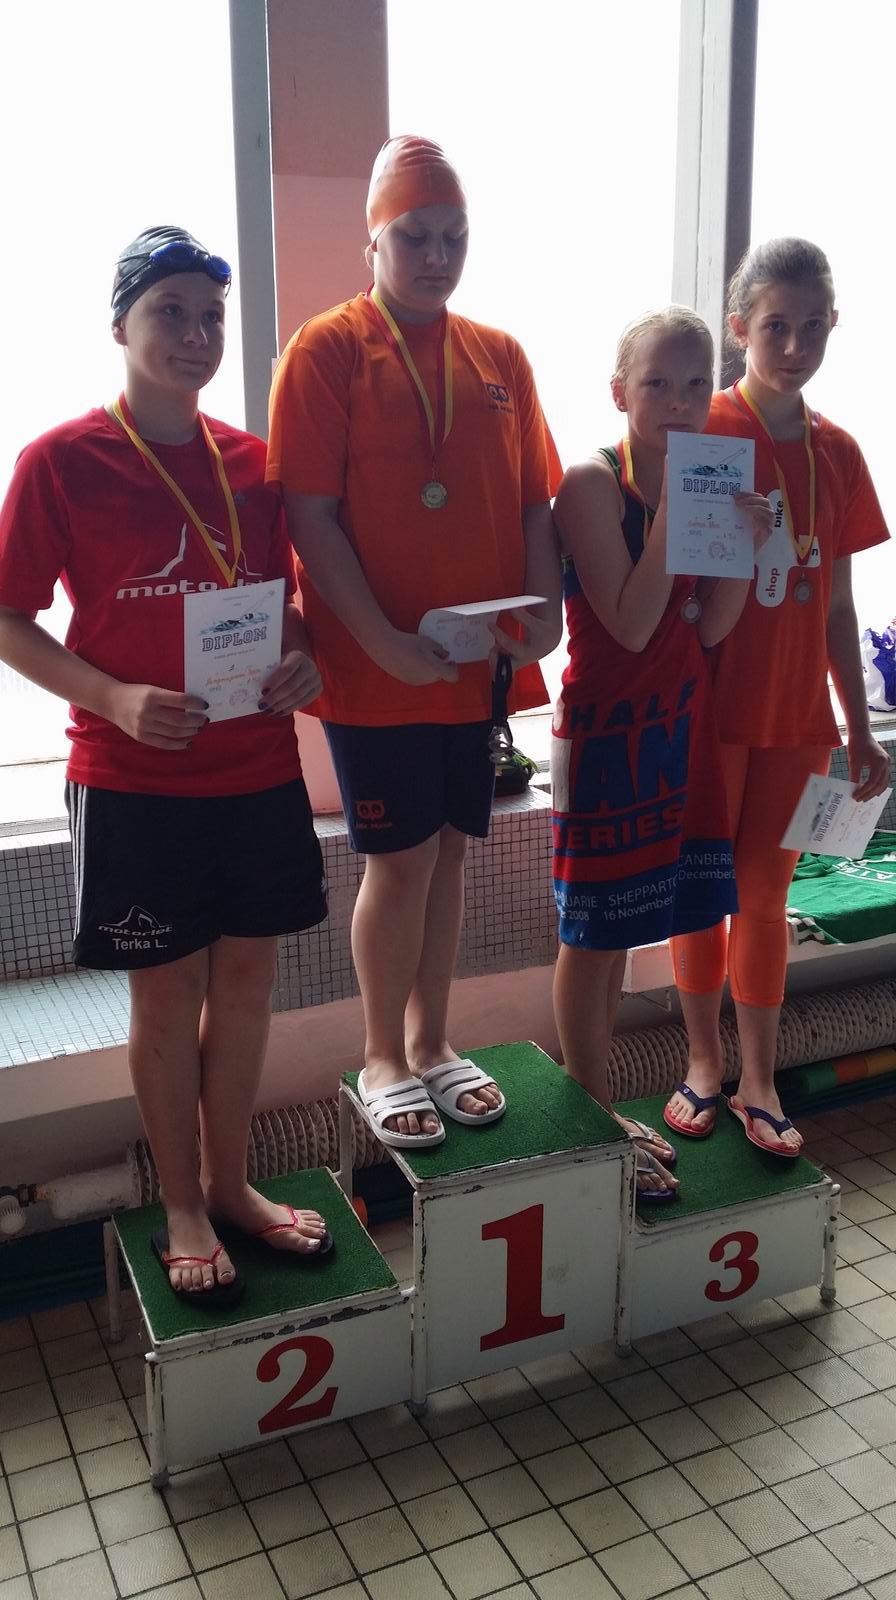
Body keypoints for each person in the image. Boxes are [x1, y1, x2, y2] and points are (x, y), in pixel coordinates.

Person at [0, 227, 331, 1302]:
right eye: (170, 313)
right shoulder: (61, 461)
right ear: (120, 326)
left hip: (256, 771)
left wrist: (301, 658)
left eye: (210, 317)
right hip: (133, 780)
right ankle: (182, 1202)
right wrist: (114, 698)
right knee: (165, 997)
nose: (195, 335)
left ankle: (231, 1185)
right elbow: (8, 618)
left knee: (246, 987)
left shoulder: (254, 466)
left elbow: (286, 608)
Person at [267, 136, 563, 1148]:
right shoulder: (325, 350)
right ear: (373, 242)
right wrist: (382, 642)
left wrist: (545, 616)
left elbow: (533, 501)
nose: (437, 256)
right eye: (414, 237)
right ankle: (381, 1056)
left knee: (448, 855)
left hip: (471, 661)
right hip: (373, 665)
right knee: (395, 862)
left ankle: (433, 1042)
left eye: (454, 237)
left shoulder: (500, 356)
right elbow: (310, 517)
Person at [664, 239, 890, 1155]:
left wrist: (857, 729)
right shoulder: (706, 432)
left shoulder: (840, 451)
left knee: (764, 897)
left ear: (833, 326)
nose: (794, 347)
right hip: (711, 716)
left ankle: (757, 1078)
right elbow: (675, 592)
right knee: (700, 893)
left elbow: (836, 605)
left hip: (798, 723)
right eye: (774, 327)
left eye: (811, 327)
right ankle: (701, 1062)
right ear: (739, 329)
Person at [552, 307, 772, 1199]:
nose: (679, 403)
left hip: (680, 726)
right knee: (594, 933)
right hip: (607, 733)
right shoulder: (590, 483)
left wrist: (744, 551)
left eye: (694, 385)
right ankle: (591, 1114)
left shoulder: (707, 481)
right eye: (657, 384)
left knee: (638, 925)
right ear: (620, 392)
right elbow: (635, 625)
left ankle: (601, 1115)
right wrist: (682, 514)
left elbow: (707, 629)